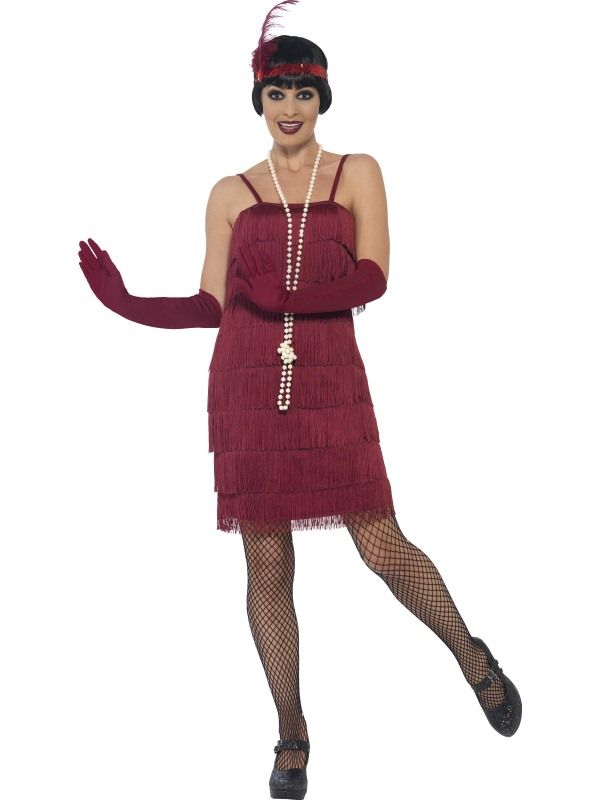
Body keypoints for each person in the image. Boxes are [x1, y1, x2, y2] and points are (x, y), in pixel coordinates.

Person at [77, 2, 522, 798]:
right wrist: (126, 303)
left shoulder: (357, 172)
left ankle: (473, 658)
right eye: (276, 92)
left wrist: (289, 298)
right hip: (246, 387)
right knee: (267, 562)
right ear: (259, 99)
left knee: (381, 544)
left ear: (323, 100)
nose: (290, 107)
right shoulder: (229, 191)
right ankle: (291, 732)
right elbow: (211, 304)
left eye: (303, 93)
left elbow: (373, 277)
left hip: (328, 383)